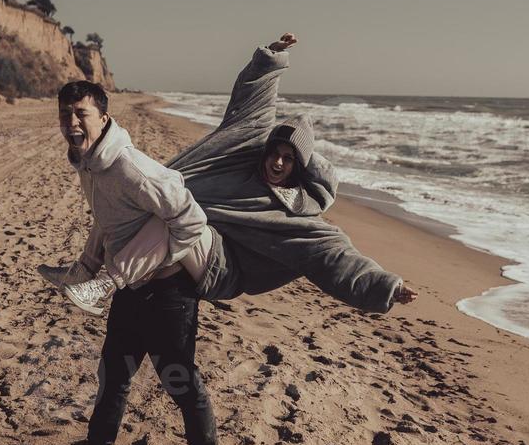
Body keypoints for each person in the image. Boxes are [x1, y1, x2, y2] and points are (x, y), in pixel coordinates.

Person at [44, 34, 416, 316]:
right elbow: (251, 107)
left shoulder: (295, 216)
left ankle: (103, 286)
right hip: (190, 236)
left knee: (169, 209)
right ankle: (83, 270)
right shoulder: (242, 159)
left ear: (298, 168)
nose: (278, 163)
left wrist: (385, 286)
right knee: (134, 193)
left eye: (289, 160)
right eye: (275, 153)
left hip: (219, 267)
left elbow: (334, 255)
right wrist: (270, 61)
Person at [51, 80, 226, 445]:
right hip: (131, 289)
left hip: (169, 292)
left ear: (104, 118)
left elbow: (190, 222)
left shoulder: (130, 167)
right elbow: (109, 221)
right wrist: (88, 264)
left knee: (180, 381)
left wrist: (118, 272)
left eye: (82, 114)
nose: (72, 122)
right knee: (113, 377)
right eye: (65, 114)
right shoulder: (88, 161)